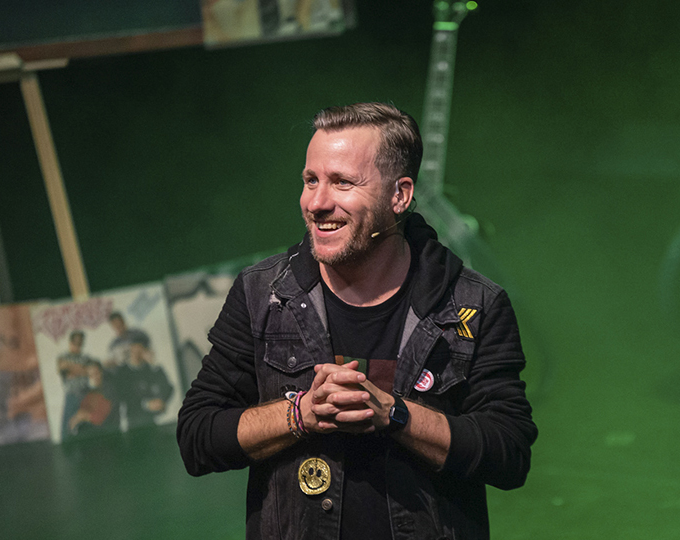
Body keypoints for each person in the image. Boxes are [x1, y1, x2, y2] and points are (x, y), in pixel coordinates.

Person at [177, 102, 537, 540]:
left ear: (399, 195)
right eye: (311, 180)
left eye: (342, 182)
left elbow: (510, 455)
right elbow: (197, 437)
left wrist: (395, 414)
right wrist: (302, 413)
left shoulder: (474, 304)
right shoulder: (262, 294)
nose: (317, 203)